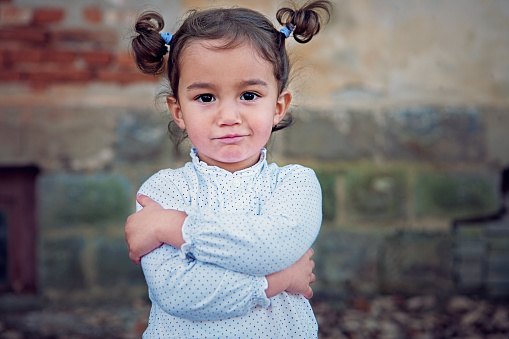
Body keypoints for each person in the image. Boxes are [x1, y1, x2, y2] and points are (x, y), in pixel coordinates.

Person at [125, 1, 332, 337]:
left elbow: (272, 247)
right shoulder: (162, 192)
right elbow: (179, 292)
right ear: (178, 111)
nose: (228, 116)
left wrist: (176, 227)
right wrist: (277, 281)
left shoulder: (295, 183)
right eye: (206, 98)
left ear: (278, 106)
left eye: (249, 95)